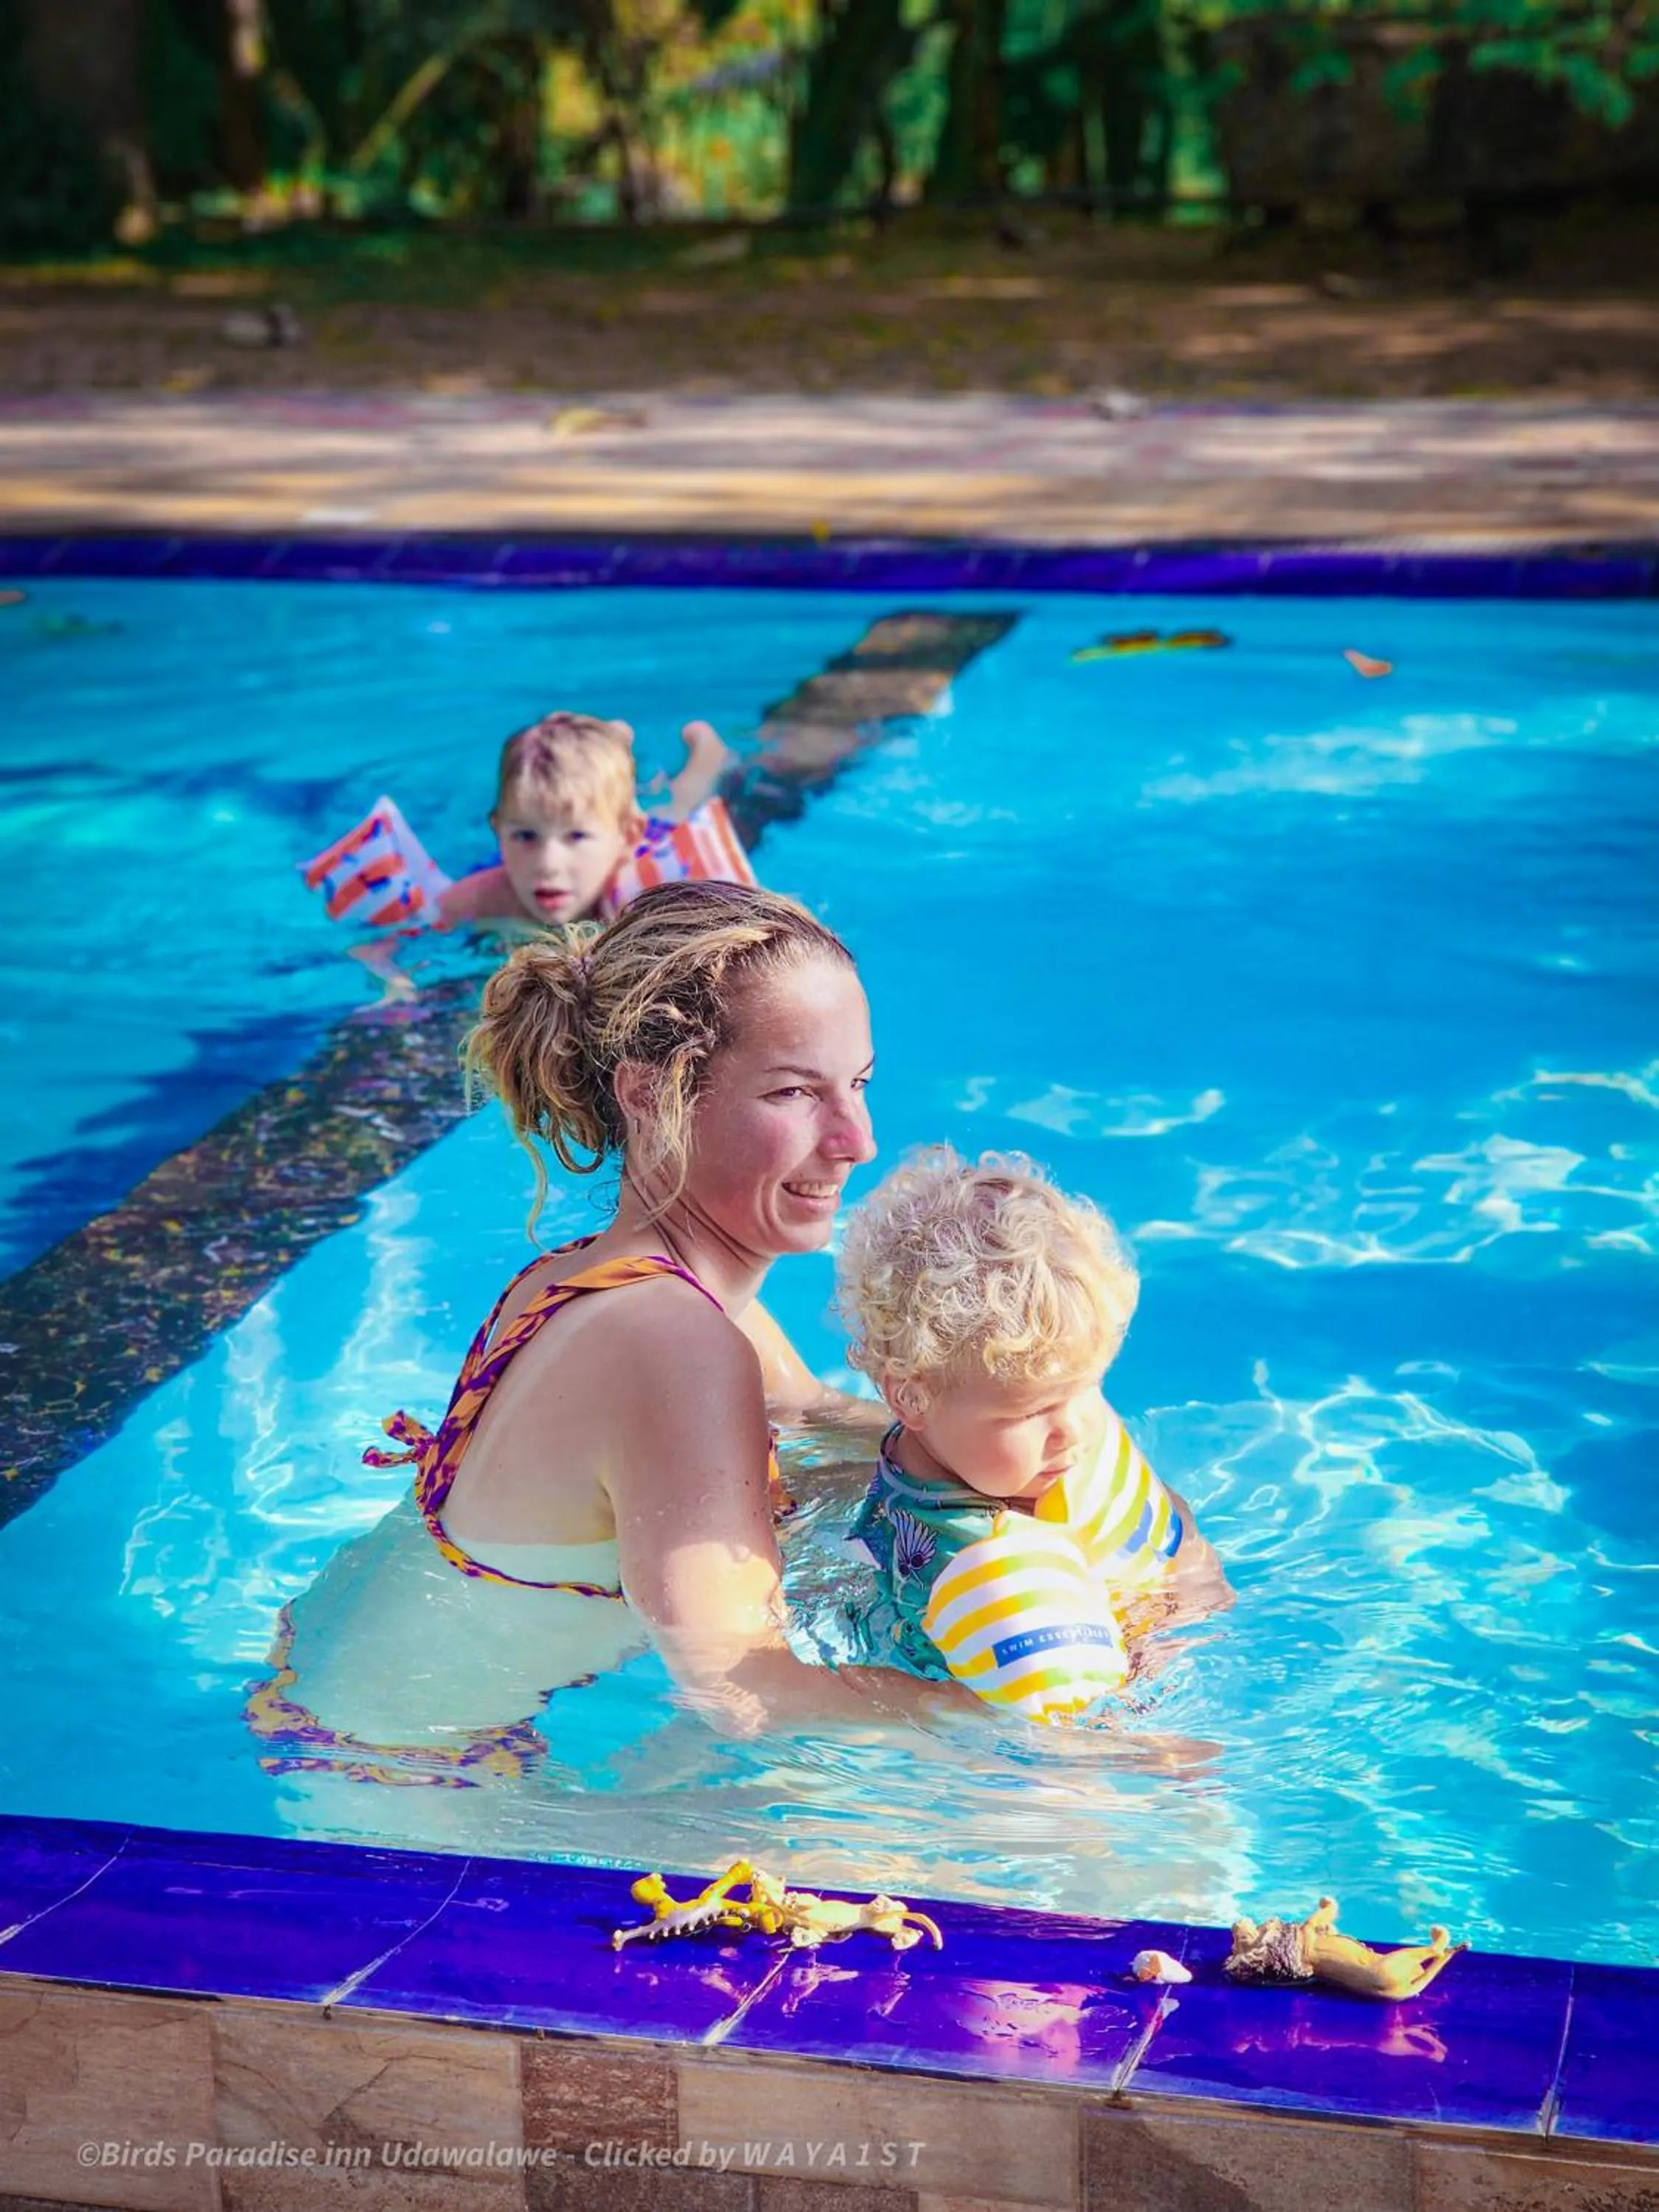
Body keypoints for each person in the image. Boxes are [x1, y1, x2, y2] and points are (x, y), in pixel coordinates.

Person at [251, 880, 954, 1787]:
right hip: (423, 1818)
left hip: (344, 1739)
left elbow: (822, 1418)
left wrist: (1061, 1455)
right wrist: (1048, 1742)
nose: (857, 1138)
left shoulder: (612, 1280)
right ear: (651, 1093)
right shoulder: (673, 1343)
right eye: (794, 1092)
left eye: (857, 1084)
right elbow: (744, 1693)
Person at [834, 1147, 1228, 1719]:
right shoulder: (966, 1563)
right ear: (910, 1396)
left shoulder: (1037, 1413)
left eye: (1085, 1387)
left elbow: (1166, 1513)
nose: (1073, 1430)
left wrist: (1189, 1579)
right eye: (1030, 1413)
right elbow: (1056, 1739)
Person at [300, 710, 745, 942]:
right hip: (584, 823)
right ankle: (606, 747)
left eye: (575, 839)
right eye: (524, 837)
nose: (548, 865)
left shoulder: (647, 888)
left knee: (678, 806)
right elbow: (383, 945)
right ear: (498, 831)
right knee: (576, 800)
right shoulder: (483, 897)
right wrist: (393, 981)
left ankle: (708, 757)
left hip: (642, 841)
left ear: (625, 838)